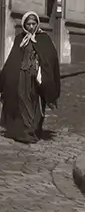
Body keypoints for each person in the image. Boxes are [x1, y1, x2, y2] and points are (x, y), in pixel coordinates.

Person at [0, 12, 61, 144]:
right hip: (23, 77)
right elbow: (13, 59)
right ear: (24, 25)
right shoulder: (19, 39)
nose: (31, 26)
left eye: (33, 24)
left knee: (36, 103)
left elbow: (50, 58)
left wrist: (44, 70)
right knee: (23, 101)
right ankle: (24, 131)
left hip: (37, 79)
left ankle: (34, 130)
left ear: (37, 23)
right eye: (28, 24)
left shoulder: (44, 38)